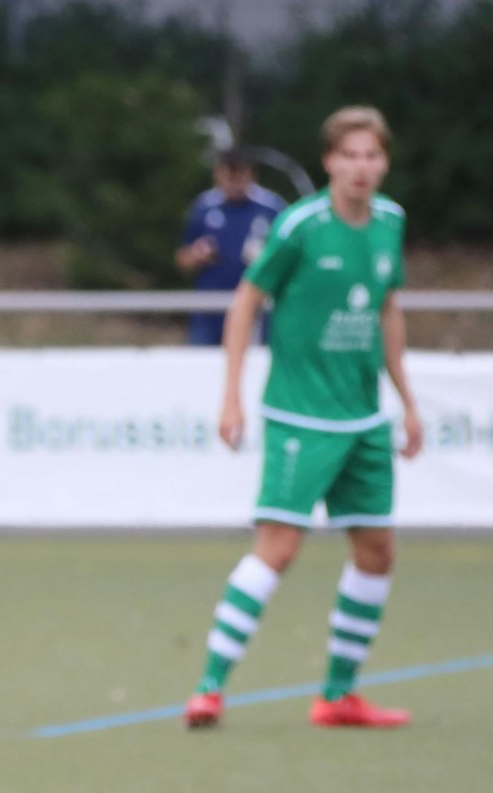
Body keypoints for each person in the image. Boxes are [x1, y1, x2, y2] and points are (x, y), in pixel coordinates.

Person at [184, 107, 420, 731]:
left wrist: (408, 401)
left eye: (373, 156)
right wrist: (232, 395)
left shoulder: (391, 221)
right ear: (329, 162)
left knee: (376, 550)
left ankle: (339, 696)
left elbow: (388, 310)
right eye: (351, 156)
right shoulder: (300, 226)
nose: (362, 168)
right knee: (279, 549)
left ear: (384, 163)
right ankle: (209, 688)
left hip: (365, 421)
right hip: (299, 417)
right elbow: (246, 302)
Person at [176, 149, 285, 345]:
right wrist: (196, 254)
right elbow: (182, 259)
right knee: (201, 366)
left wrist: (266, 258)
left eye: (239, 176)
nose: (233, 183)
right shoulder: (204, 206)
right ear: (217, 174)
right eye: (228, 176)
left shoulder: (271, 207)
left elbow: (288, 259)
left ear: (251, 175)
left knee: (254, 364)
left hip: (255, 306)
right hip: (209, 308)